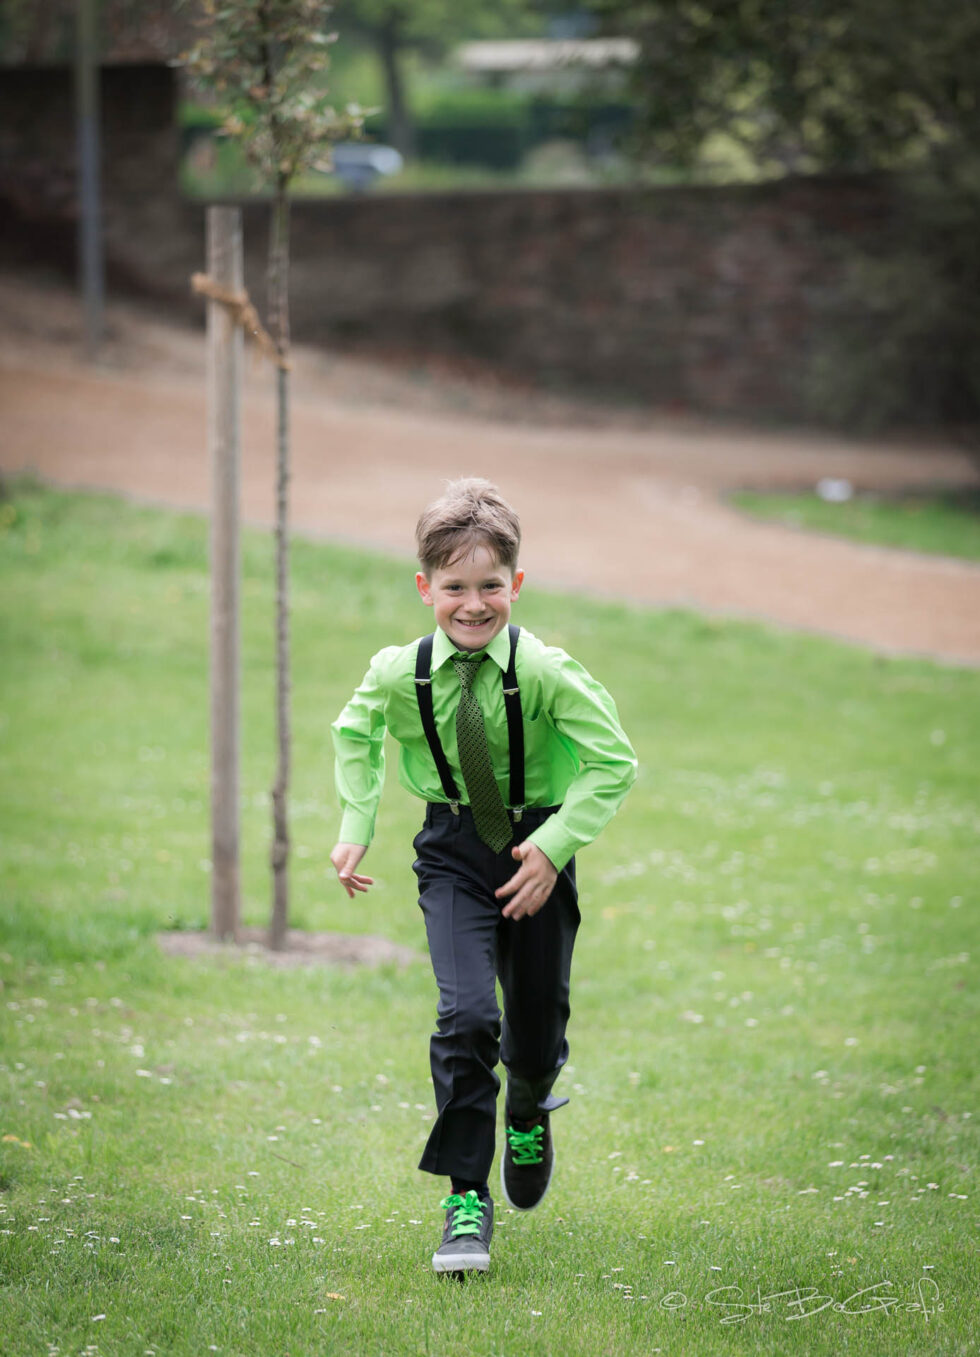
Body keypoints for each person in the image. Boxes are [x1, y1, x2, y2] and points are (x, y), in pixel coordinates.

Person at [329, 478, 637, 1275]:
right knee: (466, 1017)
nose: (473, 604)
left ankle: (531, 1100)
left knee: (535, 1028)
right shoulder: (403, 672)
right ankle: (466, 1197)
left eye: (490, 586)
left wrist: (558, 842)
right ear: (426, 587)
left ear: (516, 585)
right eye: (455, 587)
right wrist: (354, 827)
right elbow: (353, 730)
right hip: (453, 852)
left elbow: (614, 760)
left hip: (538, 849)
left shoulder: (544, 670)